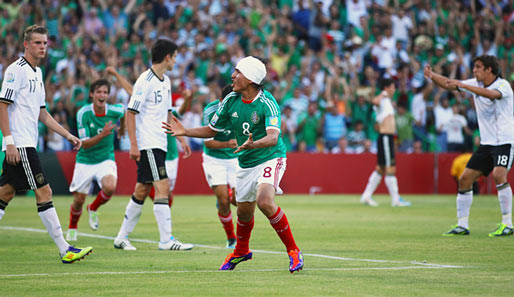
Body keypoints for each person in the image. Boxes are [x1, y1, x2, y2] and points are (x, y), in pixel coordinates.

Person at [164, 56, 304, 273]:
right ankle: (241, 251)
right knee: (244, 213)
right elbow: (212, 130)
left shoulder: (267, 102)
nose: (233, 76)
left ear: (250, 79)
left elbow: (273, 137)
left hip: (271, 157)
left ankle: (294, 252)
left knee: (265, 202)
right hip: (245, 163)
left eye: (238, 72)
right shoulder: (230, 100)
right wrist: (185, 131)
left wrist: (253, 144)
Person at [0, 25, 92, 263]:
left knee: (6, 192)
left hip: (27, 142)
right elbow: (2, 105)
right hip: (20, 144)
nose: (42, 47)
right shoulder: (15, 70)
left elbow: (43, 113)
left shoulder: (38, 73)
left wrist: (67, 135)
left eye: (45, 43)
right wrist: (9, 142)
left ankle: (65, 249)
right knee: (45, 191)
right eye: (38, 43)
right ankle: (65, 249)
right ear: (26, 45)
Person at [113, 39, 193, 251]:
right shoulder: (144, 81)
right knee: (163, 187)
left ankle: (121, 237)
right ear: (167, 57)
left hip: (160, 143)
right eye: (175, 57)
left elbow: (168, 114)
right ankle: (166, 240)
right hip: (148, 143)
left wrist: (181, 137)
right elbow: (130, 113)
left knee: (141, 190)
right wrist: (133, 145)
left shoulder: (165, 81)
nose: (176, 61)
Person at [425, 55, 514, 237]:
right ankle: (462, 225)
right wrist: (432, 76)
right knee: (465, 179)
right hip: (487, 143)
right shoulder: (475, 84)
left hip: (505, 141)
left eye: (477, 67)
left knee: (499, 174)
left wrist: (465, 86)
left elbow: (492, 95)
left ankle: (507, 223)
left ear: (489, 69)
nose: (474, 71)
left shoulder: (503, 85)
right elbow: (450, 84)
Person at [106, 66, 192, 212]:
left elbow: (179, 113)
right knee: (159, 188)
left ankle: (127, 232)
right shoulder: (148, 103)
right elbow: (131, 93)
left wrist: (182, 140)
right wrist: (116, 74)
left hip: (170, 154)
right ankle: (165, 229)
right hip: (152, 146)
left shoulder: (166, 107)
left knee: (156, 190)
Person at [66, 79, 125, 241]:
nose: (102, 95)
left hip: (106, 158)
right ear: (91, 94)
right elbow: (84, 145)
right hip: (85, 160)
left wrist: (122, 130)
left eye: (105, 92)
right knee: (78, 201)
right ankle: (72, 227)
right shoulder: (83, 113)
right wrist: (103, 134)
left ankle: (93, 208)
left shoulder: (114, 110)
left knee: (110, 187)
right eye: (99, 92)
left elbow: (125, 113)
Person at [360, 78, 412, 207]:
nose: (394, 90)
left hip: (387, 137)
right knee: (390, 168)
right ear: (387, 88)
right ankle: (395, 200)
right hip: (385, 137)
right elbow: (375, 101)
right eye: (393, 87)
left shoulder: (387, 101)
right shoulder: (382, 98)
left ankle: (366, 196)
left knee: (381, 168)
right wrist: (383, 94)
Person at [201, 85, 238, 249]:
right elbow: (208, 142)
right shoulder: (211, 111)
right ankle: (231, 238)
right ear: (222, 101)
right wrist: (227, 143)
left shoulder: (241, 109)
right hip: (214, 159)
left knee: (238, 200)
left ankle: (228, 194)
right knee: (223, 201)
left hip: (235, 159)